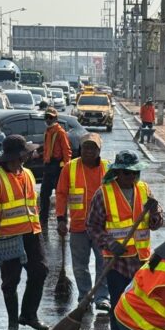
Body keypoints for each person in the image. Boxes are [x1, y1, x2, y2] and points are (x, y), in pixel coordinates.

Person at [86, 150, 165, 330]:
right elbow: (93, 226)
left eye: (136, 173)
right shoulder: (103, 194)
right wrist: (110, 244)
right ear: (118, 172)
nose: (133, 177)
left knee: (144, 308)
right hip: (117, 263)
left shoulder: (144, 190)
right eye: (128, 173)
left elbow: (156, 223)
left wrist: (155, 214)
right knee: (119, 310)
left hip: (141, 262)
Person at [0, 136, 50, 330]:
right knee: (10, 281)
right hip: (8, 236)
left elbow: (33, 204)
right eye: (26, 153)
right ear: (17, 156)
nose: (29, 156)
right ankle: (13, 323)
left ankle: (28, 315)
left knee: (40, 271)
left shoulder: (27, 174)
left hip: (32, 233)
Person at [55, 133, 110, 311]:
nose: (89, 151)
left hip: (102, 227)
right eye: (86, 147)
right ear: (80, 149)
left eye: (93, 148)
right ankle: (84, 297)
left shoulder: (108, 168)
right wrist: (61, 219)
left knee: (104, 263)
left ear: (99, 150)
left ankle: (102, 297)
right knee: (80, 266)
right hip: (79, 226)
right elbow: (61, 194)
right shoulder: (70, 168)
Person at [35, 107, 71, 231]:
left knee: (60, 195)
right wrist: (40, 154)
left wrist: (66, 168)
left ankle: (62, 221)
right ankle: (43, 219)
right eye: (46, 117)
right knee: (44, 193)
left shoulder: (60, 132)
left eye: (50, 117)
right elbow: (47, 148)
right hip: (48, 166)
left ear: (55, 118)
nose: (48, 119)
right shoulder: (48, 131)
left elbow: (66, 150)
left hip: (57, 167)